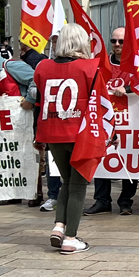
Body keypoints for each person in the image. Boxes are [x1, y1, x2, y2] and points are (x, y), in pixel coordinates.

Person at [33, 23, 100, 255]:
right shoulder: (91, 67)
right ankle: (71, 237)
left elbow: (38, 99)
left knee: (66, 181)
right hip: (79, 133)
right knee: (79, 185)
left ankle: (59, 226)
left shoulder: (42, 66)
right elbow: (98, 103)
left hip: (52, 131)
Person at [89, 26, 139, 216]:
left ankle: (126, 200)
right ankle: (102, 200)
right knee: (102, 158)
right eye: (113, 41)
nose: (117, 45)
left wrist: (127, 90)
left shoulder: (136, 65)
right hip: (105, 121)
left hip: (130, 121)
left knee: (130, 160)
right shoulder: (101, 64)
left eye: (121, 41)